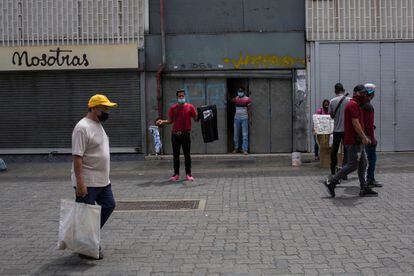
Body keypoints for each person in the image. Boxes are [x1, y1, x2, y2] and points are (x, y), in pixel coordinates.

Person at [71, 94, 118, 260]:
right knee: (87, 216)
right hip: (88, 182)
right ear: (94, 108)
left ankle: (85, 238)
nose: (107, 112)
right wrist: (80, 183)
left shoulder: (97, 124)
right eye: (104, 109)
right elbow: (77, 157)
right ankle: (87, 247)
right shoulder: (82, 128)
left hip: (103, 181)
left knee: (109, 205)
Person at [324, 85, 378, 198]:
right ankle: (331, 182)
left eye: (365, 93)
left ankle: (364, 187)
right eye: (362, 93)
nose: (365, 95)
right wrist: (363, 137)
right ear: (356, 93)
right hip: (353, 141)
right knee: (353, 165)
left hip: (356, 141)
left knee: (363, 164)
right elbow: (355, 123)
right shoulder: (353, 105)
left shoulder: (356, 104)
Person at [156, 89, 198, 182]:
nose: (181, 98)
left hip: (185, 134)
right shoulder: (173, 108)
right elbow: (170, 121)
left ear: (185, 96)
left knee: (187, 155)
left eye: (183, 96)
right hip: (175, 135)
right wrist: (162, 121)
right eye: (179, 96)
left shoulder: (190, 107)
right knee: (176, 155)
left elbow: (196, 118)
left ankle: (188, 174)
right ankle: (176, 174)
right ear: (177, 97)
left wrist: (203, 113)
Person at [328, 83, 351, 176]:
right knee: (346, 151)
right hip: (347, 130)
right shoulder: (350, 100)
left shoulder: (332, 101)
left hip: (337, 130)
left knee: (334, 150)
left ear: (335, 91)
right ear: (344, 90)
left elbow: (331, 115)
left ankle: (333, 170)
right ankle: (344, 172)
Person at [363, 83, 382, 188]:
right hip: (368, 137)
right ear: (372, 93)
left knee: (362, 161)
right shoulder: (369, 106)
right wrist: (372, 139)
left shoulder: (361, 104)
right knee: (372, 159)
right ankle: (370, 179)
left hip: (362, 136)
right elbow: (369, 125)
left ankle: (366, 179)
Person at [232, 86, 252, 155]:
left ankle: (244, 149)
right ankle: (236, 148)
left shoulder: (247, 99)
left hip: (244, 118)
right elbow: (231, 100)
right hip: (236, 118)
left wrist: (250, 119)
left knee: (245, 134)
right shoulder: (236, 98)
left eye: (241, 91)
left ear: (244, 92)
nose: (239, 92)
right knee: (236, 134)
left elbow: (249, 110)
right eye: (239, 91)